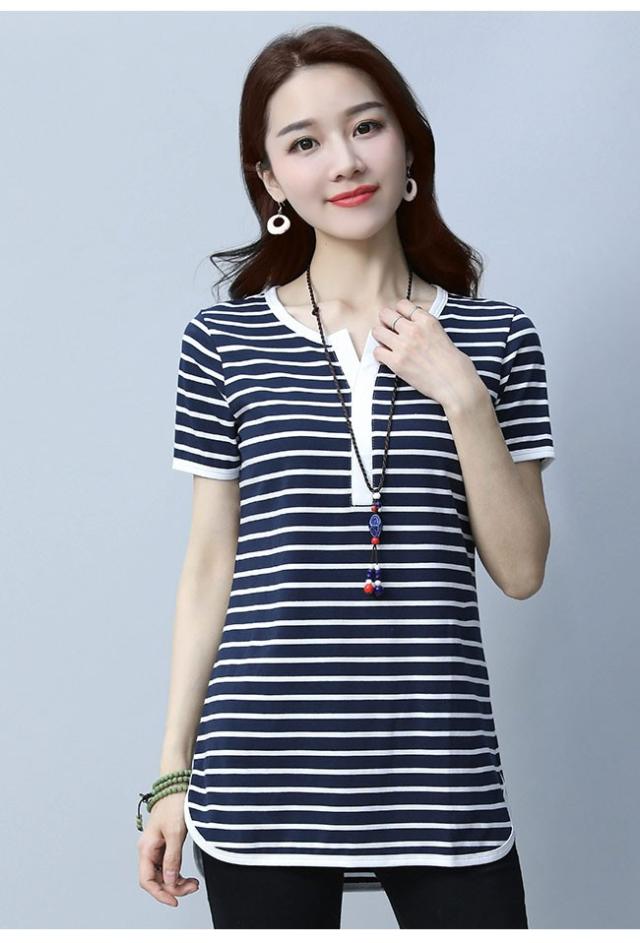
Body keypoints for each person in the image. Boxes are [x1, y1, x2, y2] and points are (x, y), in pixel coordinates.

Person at [137, 24, 555, 929]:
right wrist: (172, 774)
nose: (344, 161)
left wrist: (461, 394)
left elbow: (522, 570)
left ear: (408, 145)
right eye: (304, 143)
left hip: (441, 776)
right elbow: (210, 568)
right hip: (258, 775)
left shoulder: (498, 337)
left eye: (366, 127)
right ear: (270, 180)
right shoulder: (223, 342)